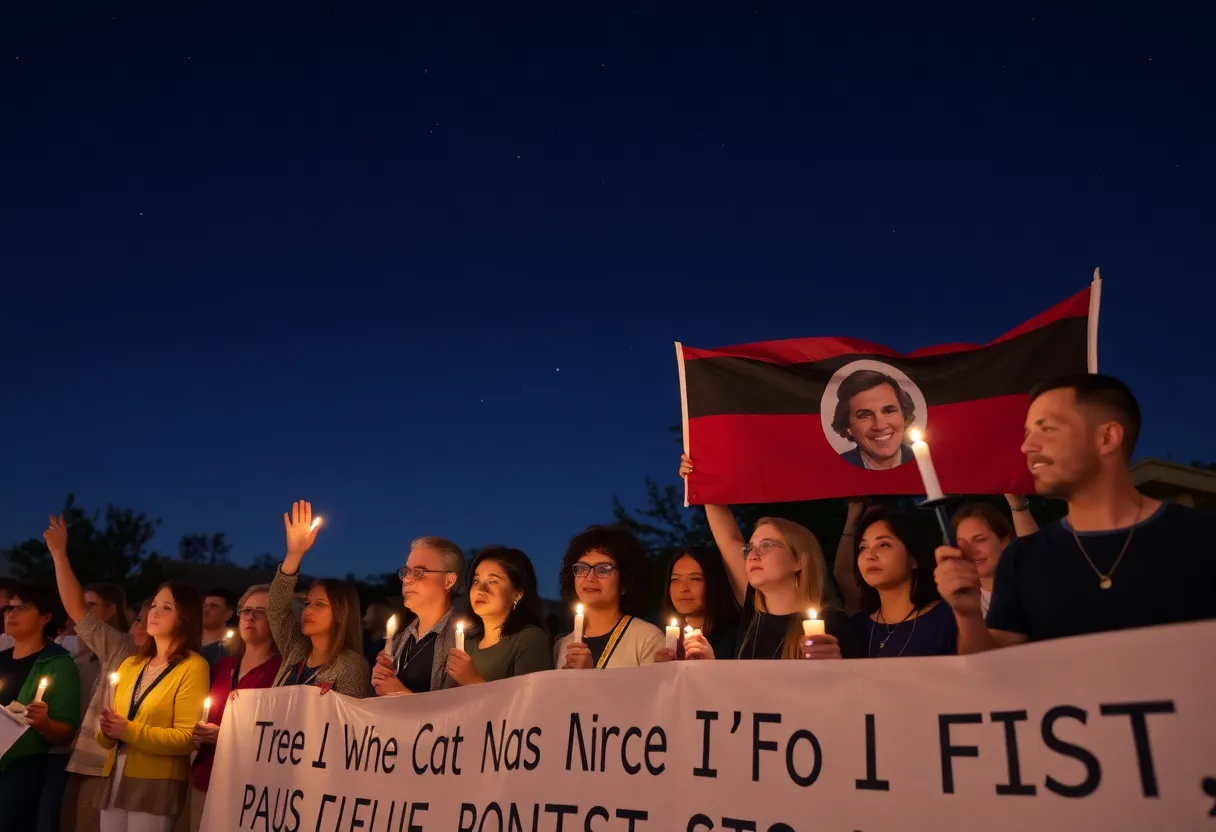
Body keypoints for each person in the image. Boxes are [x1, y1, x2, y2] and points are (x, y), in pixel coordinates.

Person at [935, 373, 1216, 653]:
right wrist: (968, 615)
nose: (1027, 446)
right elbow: (991, 670)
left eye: (1046, 429)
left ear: (1107, 437)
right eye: (1027, 433)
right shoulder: (1022, 559)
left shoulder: (1202, 539)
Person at [679, 454, 860, 660]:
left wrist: (835, 667)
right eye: (750, 548)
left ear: (799, 560)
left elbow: (854, 688)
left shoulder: (833, 624)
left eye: (766, 546)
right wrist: (701, 476)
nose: (753, 555)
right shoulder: (753, 618)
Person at [44, 516, 142, 832]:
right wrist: (59, 555)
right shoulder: (121, 647)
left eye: (159, 610)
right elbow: (77, 611)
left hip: (125, 770)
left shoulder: (187, 666)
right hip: (88, 758)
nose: (145, 620)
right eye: (142, 615)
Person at [95, 582, 209, 832]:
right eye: (154, 605)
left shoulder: (193, 666)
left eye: (166, 607)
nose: (153, 612)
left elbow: (186, 738)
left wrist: (128, 730)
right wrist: (106, 729)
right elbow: (105, 738)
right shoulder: (131, 665)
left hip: (157, 781)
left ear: (186, 617)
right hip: (115, 774)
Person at [187, 585, 281, 831]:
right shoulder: (224, 664)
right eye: (247, 610)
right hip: (205, 778)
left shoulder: (282, 672)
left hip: (247, 787)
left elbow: (279, 734)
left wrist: (226, 737)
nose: (251, 616)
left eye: (262, 611)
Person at [0, 584, 82, 825]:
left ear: (45, 617)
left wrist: (44, 724)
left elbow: (66, 730)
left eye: (21, 608)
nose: (10, 614)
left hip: (21, 769)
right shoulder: (1, 658)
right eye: (9, 608)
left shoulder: (58, 664)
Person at [269, 501, 368, 697]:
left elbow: (349, 721)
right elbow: (276, 609)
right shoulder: (295, 650)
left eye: (320, 604)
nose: (307, 610)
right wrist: (294, 555)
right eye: (307, 603)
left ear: (341, 614)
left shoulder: (350, 665)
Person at [851, 506, 957, 657]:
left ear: (914, 558)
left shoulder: (948, 620)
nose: (870, 555)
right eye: (863, 547)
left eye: (883, 544)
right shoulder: (855, 627)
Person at [553, 525, 664, 669]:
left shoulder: (648, 638)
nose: (590, 577)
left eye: (604, 569)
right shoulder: (563, 645)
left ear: (625, 581)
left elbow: (654, 691)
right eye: (582, 568)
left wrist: (590, 675)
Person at [444, 546, 552, 686]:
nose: (481, 589)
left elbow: (529, 703)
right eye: (476, 581)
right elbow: (446, 700)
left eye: (493, 581)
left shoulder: (530, 639)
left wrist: (473, 681)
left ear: (517, 593)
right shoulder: (466, 646)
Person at [372, 536, 464, 695]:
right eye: (406, 571)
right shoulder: (399, 641)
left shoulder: (465, 641)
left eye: (419, 572)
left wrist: (402, 695)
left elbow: (465, 711)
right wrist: (380, 681)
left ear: (448, 581)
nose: (407, 579)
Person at [950, 500, 1038, 620]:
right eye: (963, 544)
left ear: (1004, 541)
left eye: (980, 540)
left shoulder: (1033, 589)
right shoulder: (962, 610)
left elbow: (1035, 554)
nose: (972, 551)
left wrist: (1019, 506)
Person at [655, 546, 740, 661]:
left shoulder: (738, 639)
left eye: (695, 579)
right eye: (675, 579)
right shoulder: (656, 635)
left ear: (714, 583)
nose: (683, 588)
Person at [831, 369, 916, 470]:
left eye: (888, 411)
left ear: (904, 417)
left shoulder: (925, 460)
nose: (880, 426)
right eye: (864, 415)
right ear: (848, 427)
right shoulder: (833, 470)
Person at [198, 590, 236, 669]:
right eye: (204, 605)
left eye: (213, 606)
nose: (205, 610)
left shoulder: (232, 649)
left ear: (228, 614)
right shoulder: (186, 641)